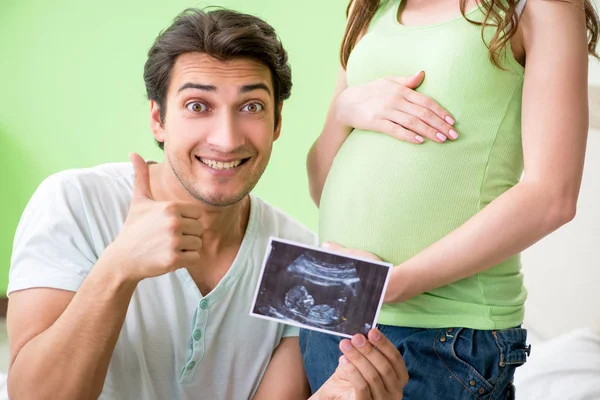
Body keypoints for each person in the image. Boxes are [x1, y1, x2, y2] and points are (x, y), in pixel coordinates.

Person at [6, 8, 408, 400]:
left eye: (251, 107)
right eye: (198, 106)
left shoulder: (296, 258)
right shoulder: (74, 202)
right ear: (158, 119)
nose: (227, 138)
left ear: (277, 122)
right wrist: (118, 269)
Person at [302, 0, 599, 398]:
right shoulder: (370, 6)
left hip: (445, 334)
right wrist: (344, 109)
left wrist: (394, 285)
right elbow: (322, 186)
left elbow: (552, 196)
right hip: (337, 315)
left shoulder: (539, 7)